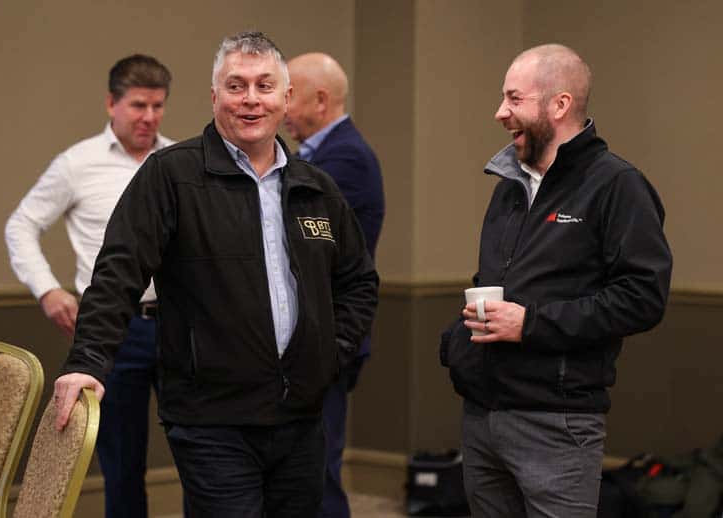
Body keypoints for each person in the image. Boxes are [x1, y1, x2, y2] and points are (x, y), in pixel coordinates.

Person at [51, 31, 379, 518]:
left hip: (300, 417)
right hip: (211, 420)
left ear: (285, 97)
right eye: (236, 85)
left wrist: (328, 354)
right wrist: (87, 361)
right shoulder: (171, 176)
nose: (250, 99)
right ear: (214, 96)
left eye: (264, 86)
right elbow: (118, 273)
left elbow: (358, 282)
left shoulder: (316, 188)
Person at [439, 44, 672, 517]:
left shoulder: (616, 185)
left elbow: (642, 297)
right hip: (482, 415)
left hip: (556, 422)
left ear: (560, 104)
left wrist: (531, 324)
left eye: (514, 98)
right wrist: (455, 345)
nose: (500, 112)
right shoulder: (509, 187)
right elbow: (492, 279)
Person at [4, 54, 183, 518]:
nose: (149, 117)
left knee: (201, 450)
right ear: (111, 104)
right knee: (122, 461)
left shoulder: (179, 162)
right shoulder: (77, 163)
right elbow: (21, 225)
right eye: (138, 105)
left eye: (158, 106)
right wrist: (48, 290)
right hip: (114, 328)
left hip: (181, 323)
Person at [284, 52, 385, 518]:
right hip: (311, 338)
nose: (280, 107)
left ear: (320, 100)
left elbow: (301, 245)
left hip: (329, 338)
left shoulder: (345, 158)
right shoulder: (316, 155)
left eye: (289, 95)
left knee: (318, 474)